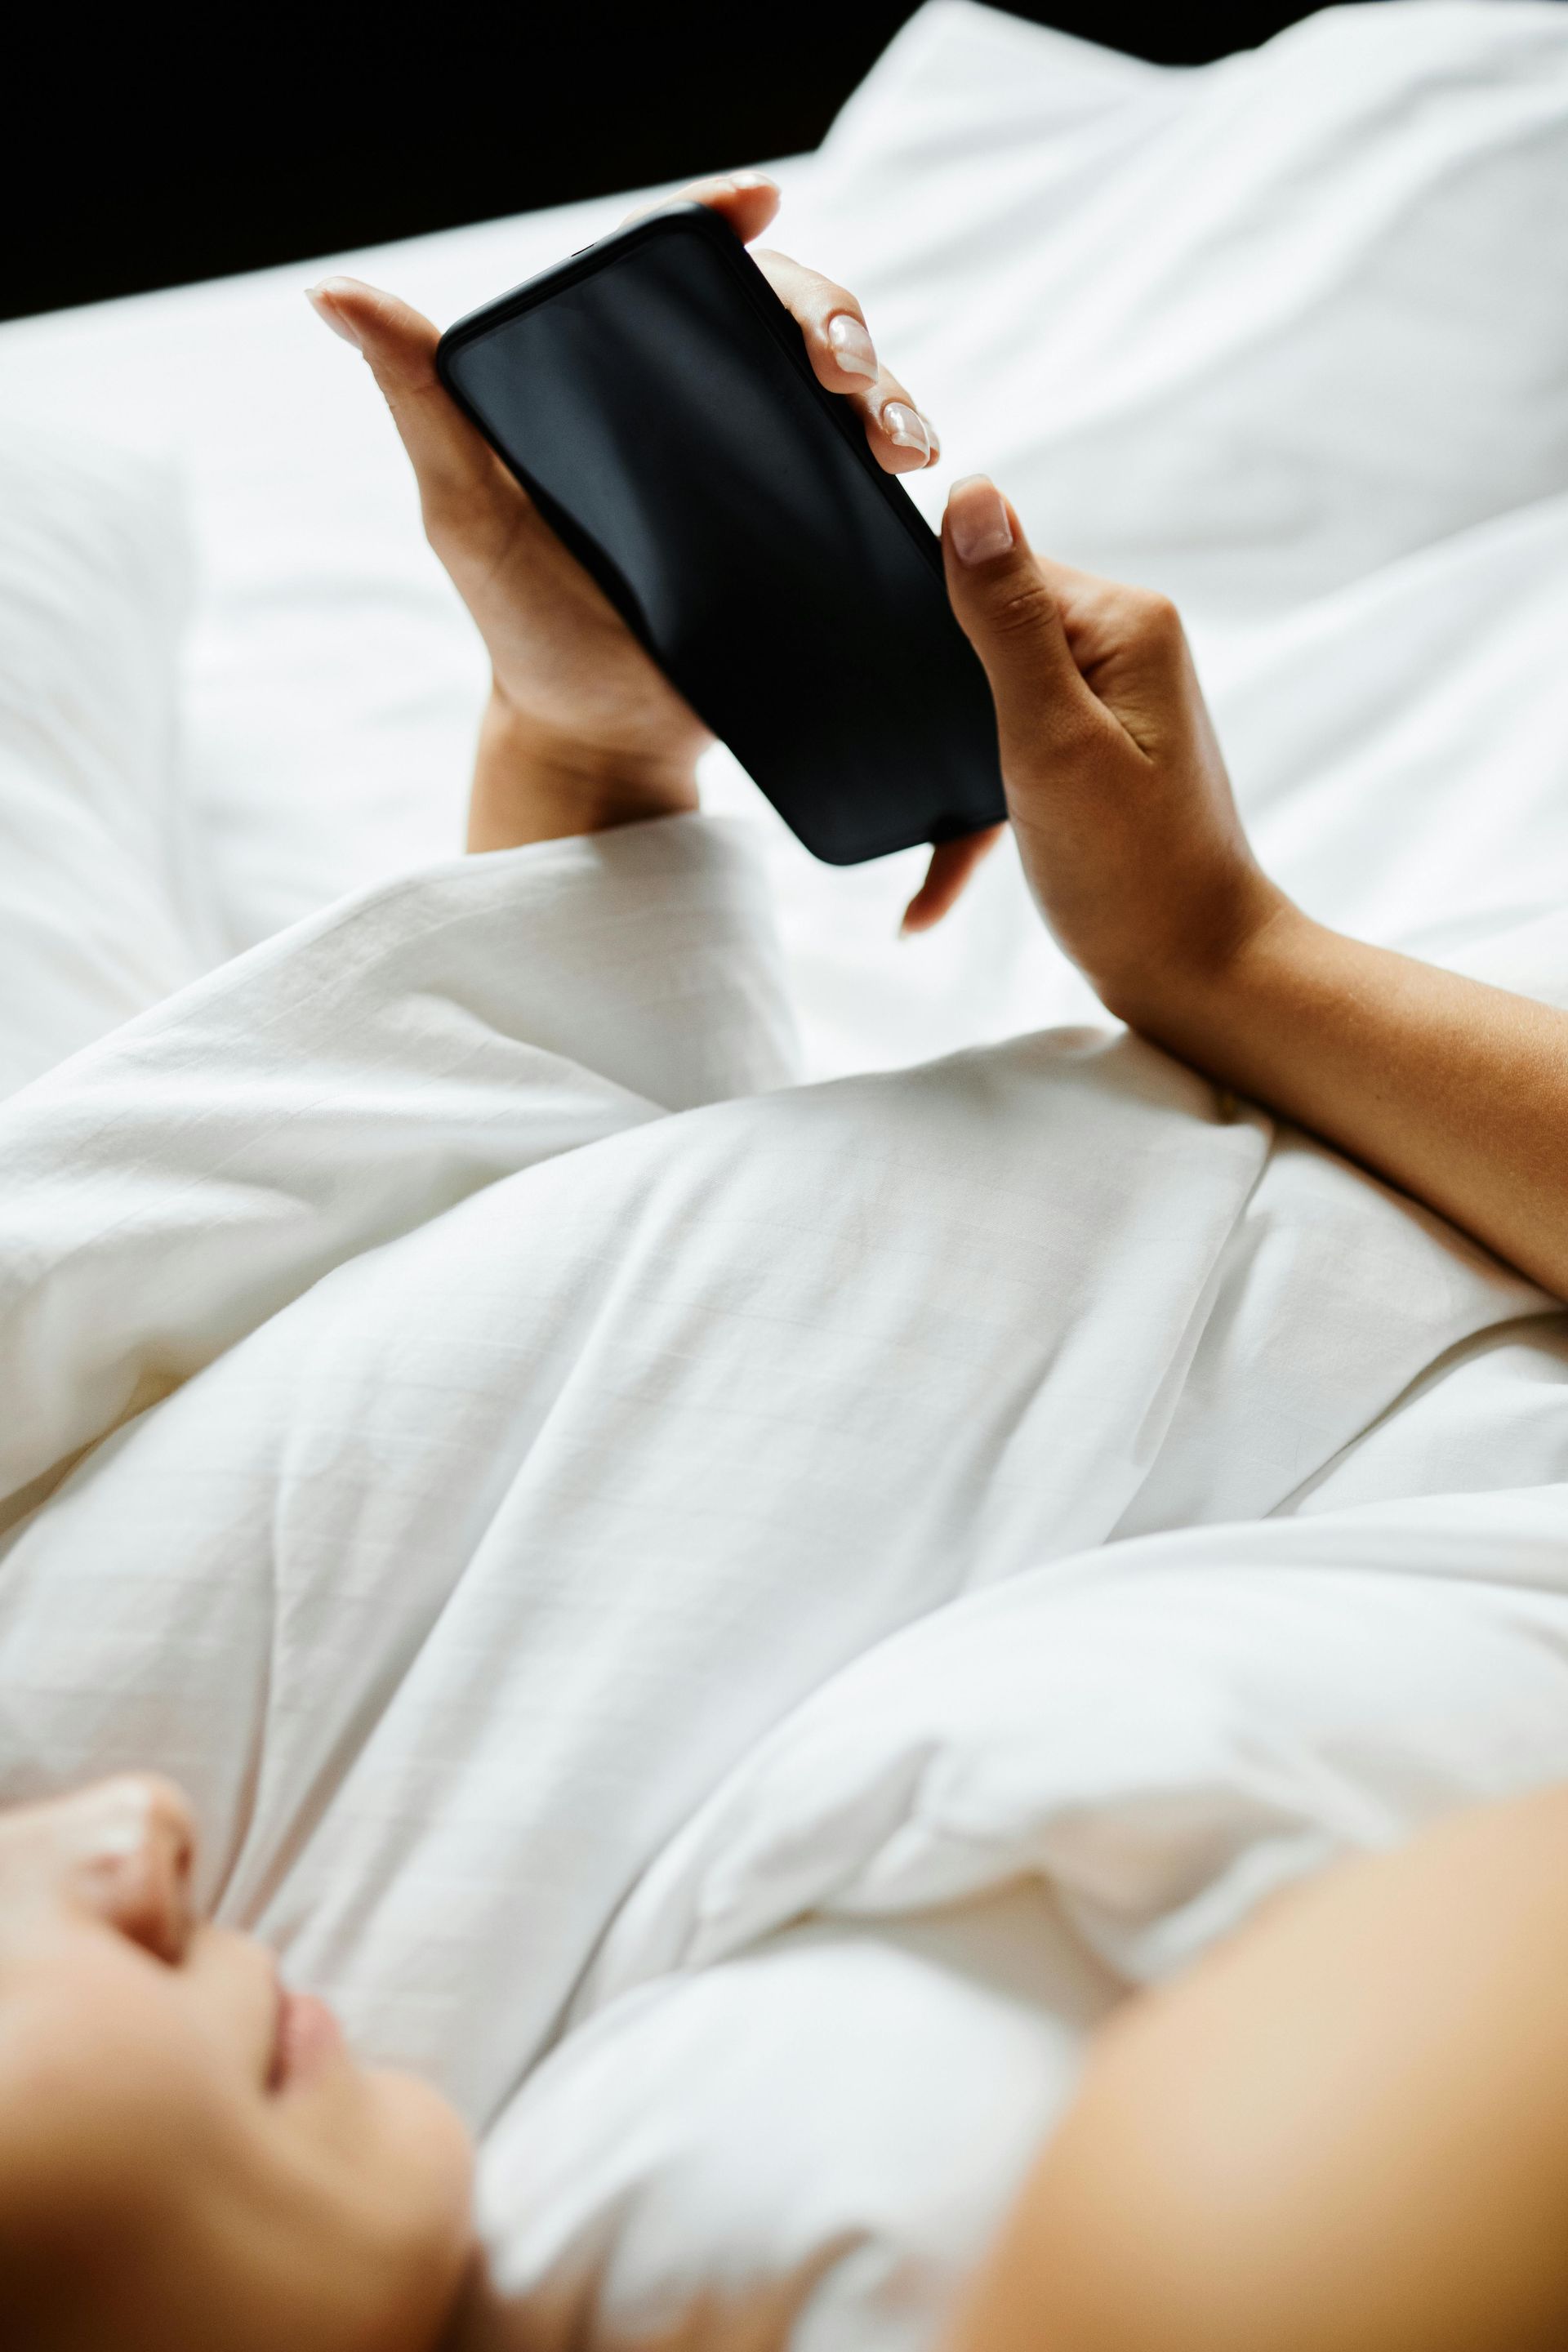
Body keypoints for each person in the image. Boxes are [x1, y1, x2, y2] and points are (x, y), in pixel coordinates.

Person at [2, 170, 1567, 2351]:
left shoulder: (228, 1991)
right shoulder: (969, 2232)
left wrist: (581, 738)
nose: (127, 1833)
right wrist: (1230, 960)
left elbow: (477, 1452)